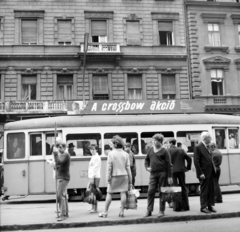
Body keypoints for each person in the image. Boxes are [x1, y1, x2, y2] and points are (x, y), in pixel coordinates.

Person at [99, 135, 132, 218]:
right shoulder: (126, 154)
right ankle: (121, 212)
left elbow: (109, 167)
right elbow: (128, 168)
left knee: (109, 193)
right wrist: (130, 181)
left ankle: (105, 212)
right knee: (123, 193)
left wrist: (108, 178)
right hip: (124, 176)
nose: (111, 145)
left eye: (111, 143)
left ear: (115, 144)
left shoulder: (111, 154)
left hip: (114, 176)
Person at [144, 133, 173, 218]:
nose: (153, 142)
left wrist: (170, 176)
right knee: (150, 191)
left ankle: (161, 210)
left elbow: (169, 164)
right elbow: (146, 160)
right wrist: (147, 167)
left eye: (155, 140)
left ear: (160, 141)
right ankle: (149, 210)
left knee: (163, 192)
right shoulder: (150, 150)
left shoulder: (165, 151)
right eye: (153, 140)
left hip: (163, 174)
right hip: (153, 173)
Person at [194, 132, 216, 214]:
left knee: (210, 190)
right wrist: (200, 173)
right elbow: (196, 161)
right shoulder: (198, 147)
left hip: (210, 172)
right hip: (204, 173)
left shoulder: (207, 146)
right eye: (210, 137)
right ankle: (203, 207)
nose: (211, 139)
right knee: (204, 190)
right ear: (205, 138)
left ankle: (210, 205)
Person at [168, 138, 192, 211]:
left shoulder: (168, 150)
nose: (168, 144)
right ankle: (186, 206)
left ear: (171, 143)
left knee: (175, 188)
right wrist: (187, 168)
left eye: (168, 143)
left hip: (173, 171)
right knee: (183, 187)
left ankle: (177, 207)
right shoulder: (181, 150)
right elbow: (189, 159)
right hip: (181, 170)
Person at [53, 139, 71, 221]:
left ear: (64, 147)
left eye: (60, 147)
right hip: (61, 177)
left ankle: (63, 215)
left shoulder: (66, 154)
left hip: (64, 177)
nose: (59, 149)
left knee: (60, 196)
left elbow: (59, 162)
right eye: (58, 147)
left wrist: (55, 153)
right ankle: (65, 213)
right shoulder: (62, 154)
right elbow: (58, 164)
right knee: (63, 195)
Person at [88, 144, 102, 213]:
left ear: (96, 149)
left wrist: (92, 178)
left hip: (95, 177)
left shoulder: (96, 157)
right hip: (93, 176)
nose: (92, 151)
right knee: (92, 193)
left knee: (94, 193)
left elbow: (95, 169)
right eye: (91, 149)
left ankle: (95, 208)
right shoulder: (94, 157)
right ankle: (93, 207)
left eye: (93, 149)